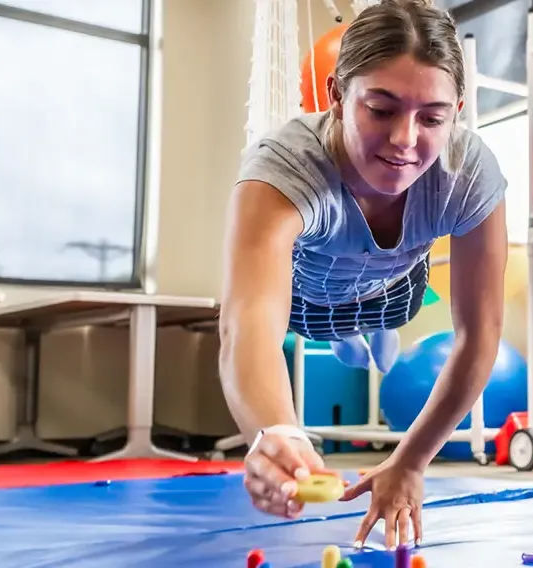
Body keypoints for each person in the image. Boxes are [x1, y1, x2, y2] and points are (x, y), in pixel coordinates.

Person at [218, 0, 509, 551]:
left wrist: (411, 461)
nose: (405, 139)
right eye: (381, 109)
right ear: (335, 95)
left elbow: (479, 336)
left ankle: (370, 334)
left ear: (458, 110)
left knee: (381, 327)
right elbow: (248, 321)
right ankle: (354, 339)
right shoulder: (283, 166)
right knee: (332, 334)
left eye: (432, 117)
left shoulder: (469, 170)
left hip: (393, 293)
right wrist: (277, 431)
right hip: (304, 301)